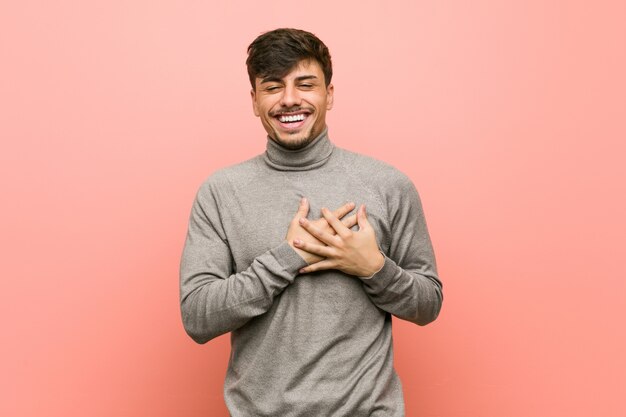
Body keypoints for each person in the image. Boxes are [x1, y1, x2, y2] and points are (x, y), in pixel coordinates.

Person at [180, 28, 443, 416]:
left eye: (306, 84)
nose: (289, 100)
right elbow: (198, 317)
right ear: (254, 101)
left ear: (329, 94)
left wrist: (375, 269)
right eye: (272, 87)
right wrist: (286, 256)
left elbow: (428, 304)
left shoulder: (388, 185)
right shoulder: (220, 192)